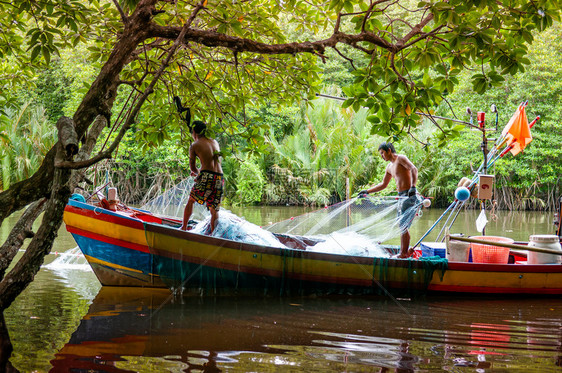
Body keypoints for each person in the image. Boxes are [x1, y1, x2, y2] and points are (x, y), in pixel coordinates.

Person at [358, 142, 418, 258]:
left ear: (389, 150)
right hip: (401, 196)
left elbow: (413, 169)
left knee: (403, 225)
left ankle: (404, 253)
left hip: (409, 194)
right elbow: (383, 184)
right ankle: (404, 251)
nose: (382, 156)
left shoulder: (401, 158)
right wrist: (367, 191)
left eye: (382, 153)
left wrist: (413, 186)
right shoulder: (389, 167)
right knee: (402, 224)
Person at [181, 120, 224, 233]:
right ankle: (213, 234)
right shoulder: (215, 142)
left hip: (207, 176)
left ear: (194, 131)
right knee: (214, 208)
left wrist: (197, 173)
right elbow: (211, 165)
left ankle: (184, 227)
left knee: (191, 200)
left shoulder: (194, 145)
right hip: (219, 177)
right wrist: (200, 172)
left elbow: (193, 168)